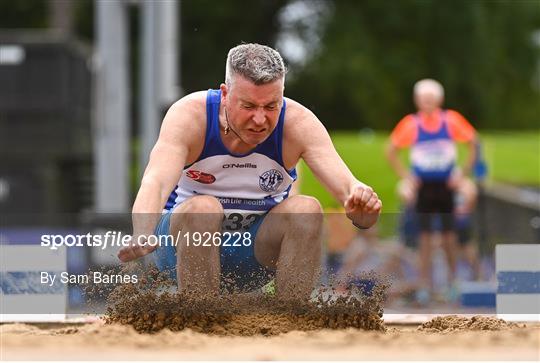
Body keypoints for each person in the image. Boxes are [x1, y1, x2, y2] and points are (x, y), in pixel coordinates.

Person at [118, 43, 382, 299]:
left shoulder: (298, 123)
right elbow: (156, 181)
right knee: (203, 209)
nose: (259, 120)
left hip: (254, 253)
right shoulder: (191, 115)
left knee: (307, 210)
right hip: (181, 249)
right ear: (224, 94)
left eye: (270, 106)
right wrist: (142, 231)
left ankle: (292, 323)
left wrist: (362, 207)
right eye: (248, 106)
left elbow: (349, 189)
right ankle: (200, 320)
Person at [385, 79, 477, 304]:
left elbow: (474, 143)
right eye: (423, 99)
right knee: (424, 238)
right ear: (417, 101)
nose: (427, 103)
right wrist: (406, 176)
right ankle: (424, 284)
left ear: (439, 100)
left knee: (449, 237)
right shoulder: (411, 124)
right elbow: (391, 150)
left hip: (446, 186)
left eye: (431, 99)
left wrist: (462, 173)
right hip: (424, 188)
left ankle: (453, 282)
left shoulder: (451, 121)